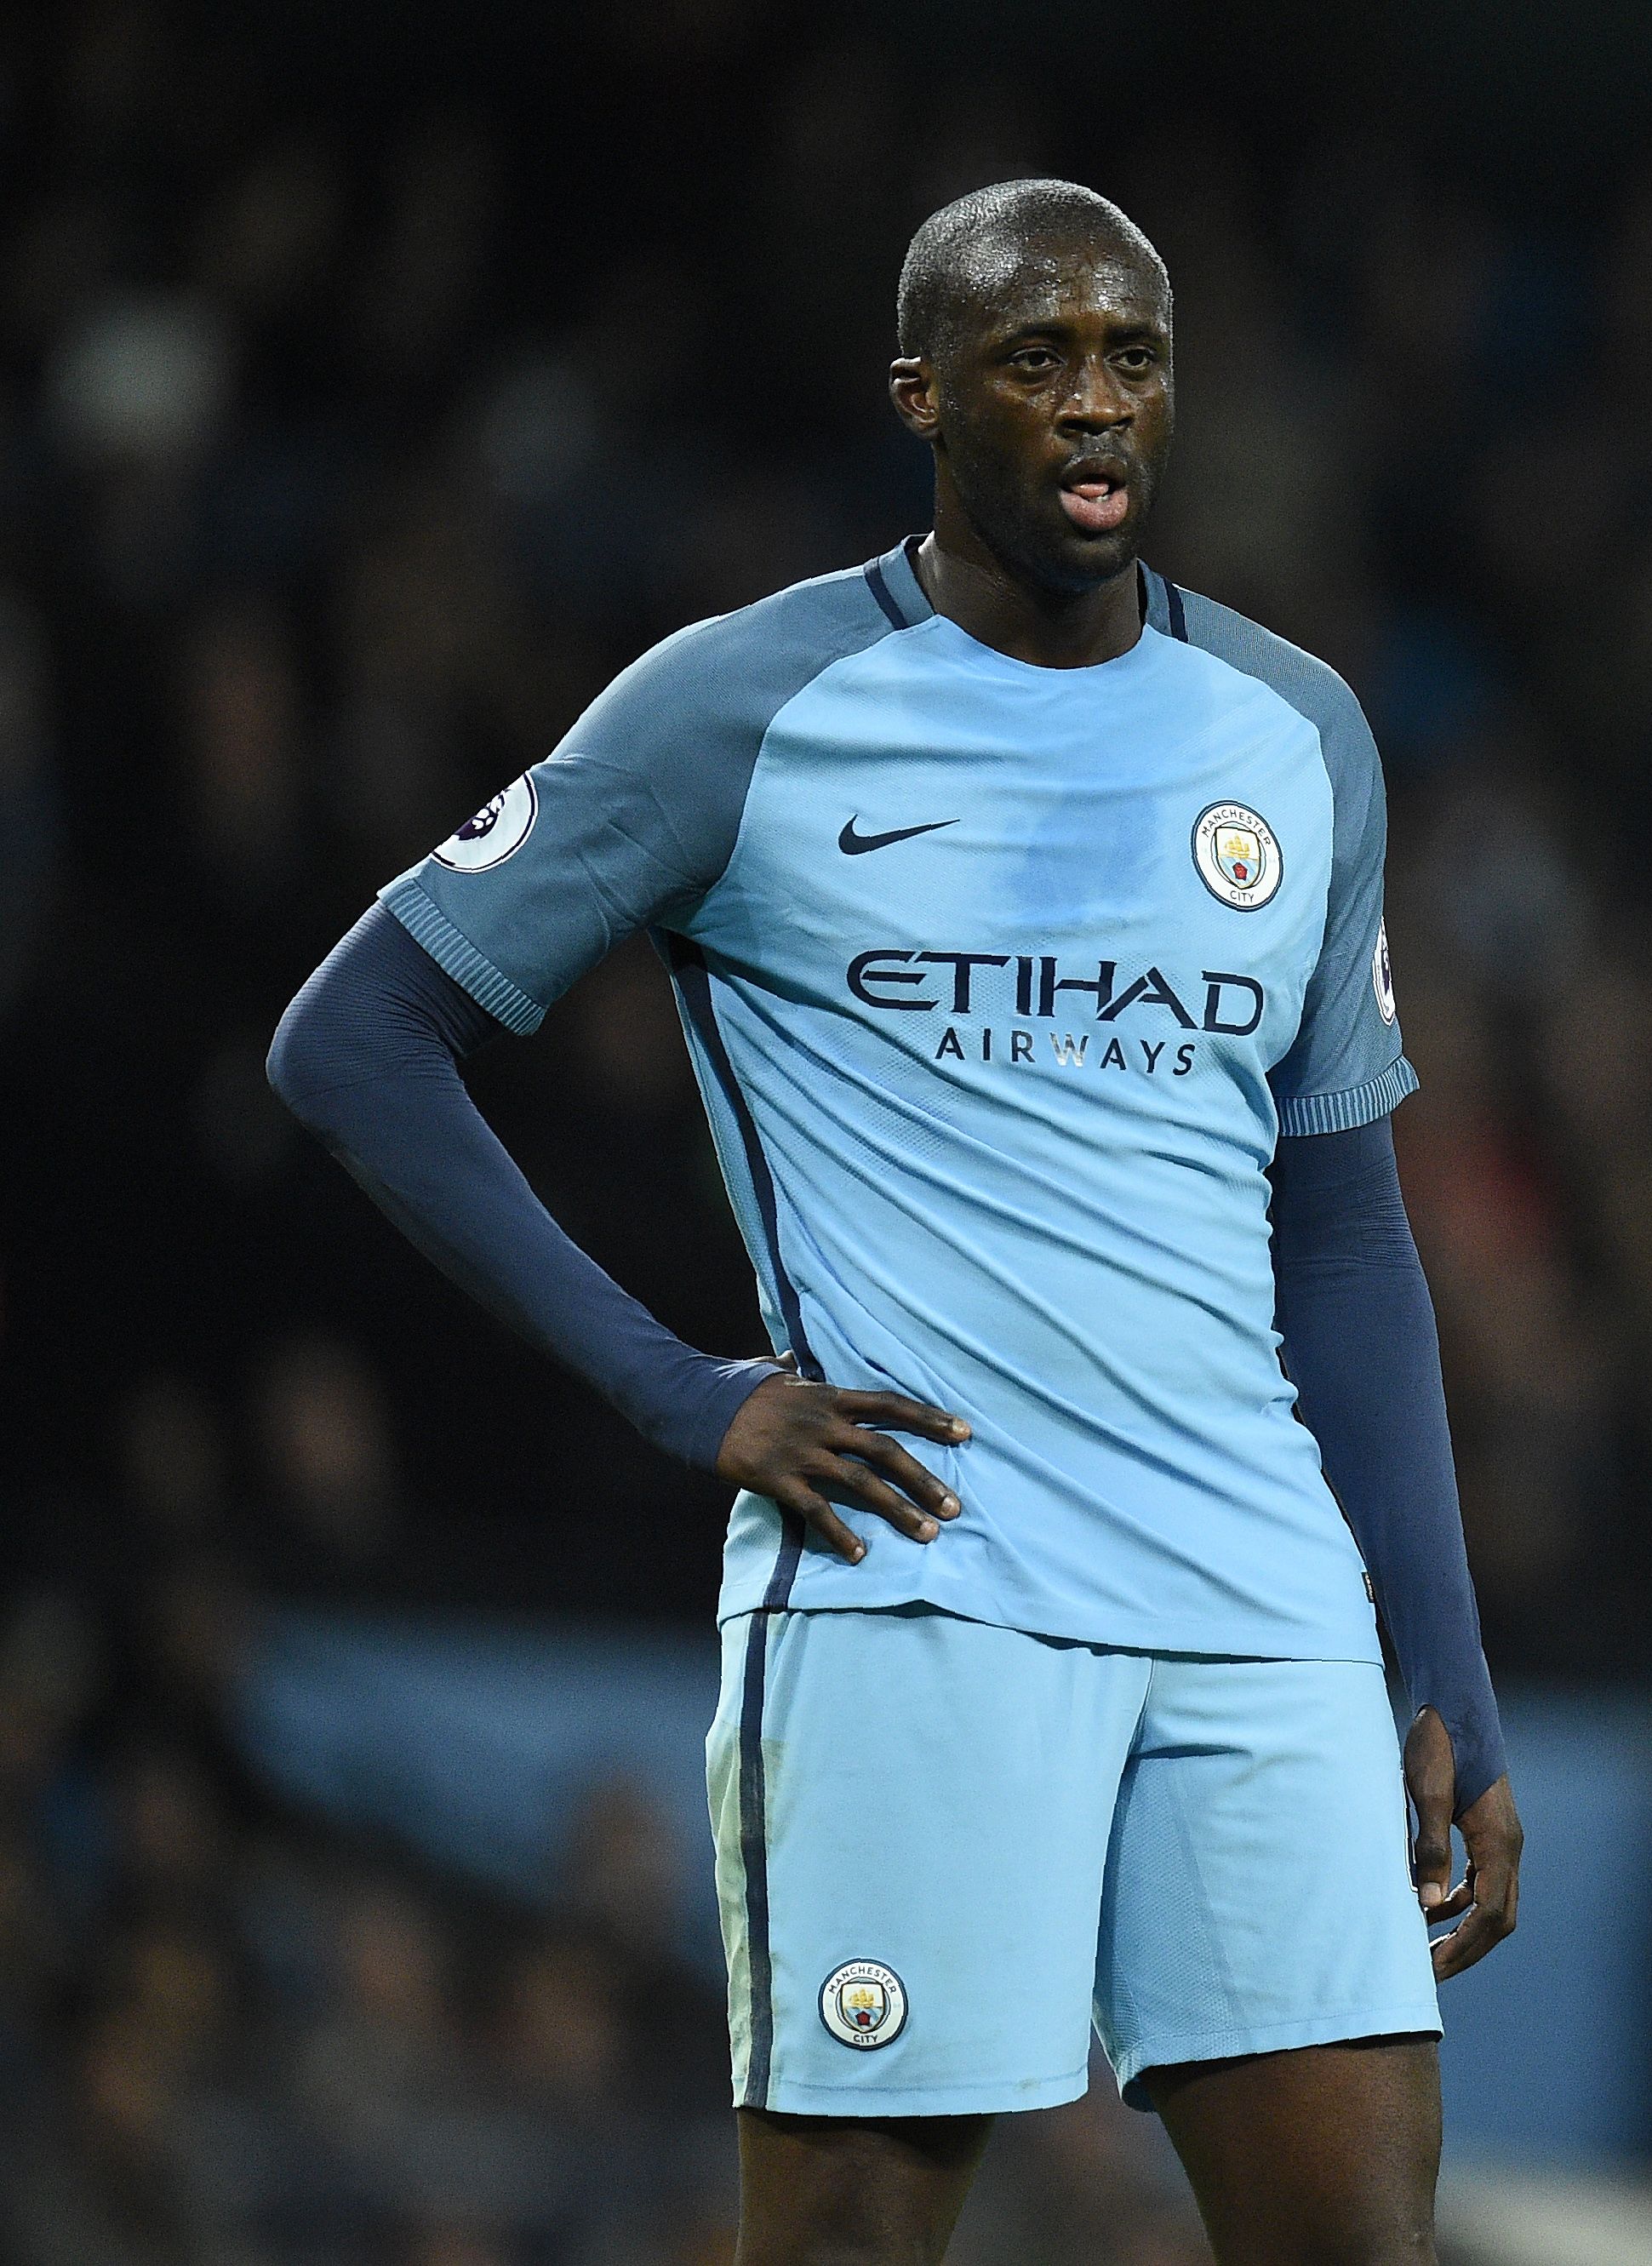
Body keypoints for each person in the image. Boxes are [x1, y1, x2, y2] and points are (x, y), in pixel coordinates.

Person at [267, 179, 1518, 2266]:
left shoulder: (1293, 732)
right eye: (1040, 359)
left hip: (1256, 1604)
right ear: (922, 395)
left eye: (1135, 357)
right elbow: (356, 1038)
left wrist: (1446, 1657)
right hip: (921, 1584)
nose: (1098, 404)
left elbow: (1348, 1236)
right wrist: (685, 1391)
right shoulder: (740, 706)